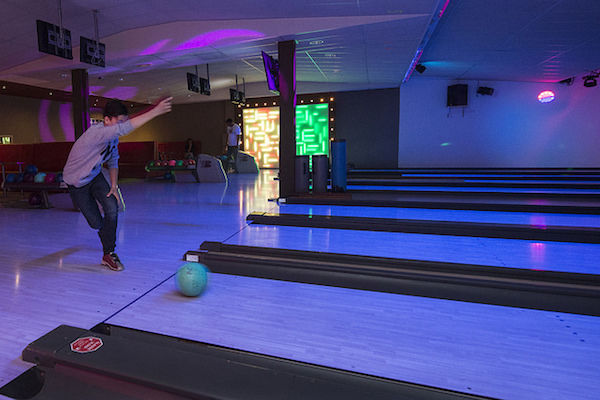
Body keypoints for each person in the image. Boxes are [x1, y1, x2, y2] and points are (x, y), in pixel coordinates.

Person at [63, 97, 172, 271]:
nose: (121, 126)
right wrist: (155, 111)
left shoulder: (112, 140)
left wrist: (114, 186)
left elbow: (113, 160)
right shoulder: (96, 133)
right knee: (96, 224)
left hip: (94, 176)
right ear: (107, 120)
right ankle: (107, 245)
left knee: (112, 207)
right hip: (77, 183)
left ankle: (109, 253)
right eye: (119, 122)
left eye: (123, 121)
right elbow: (124, 130)